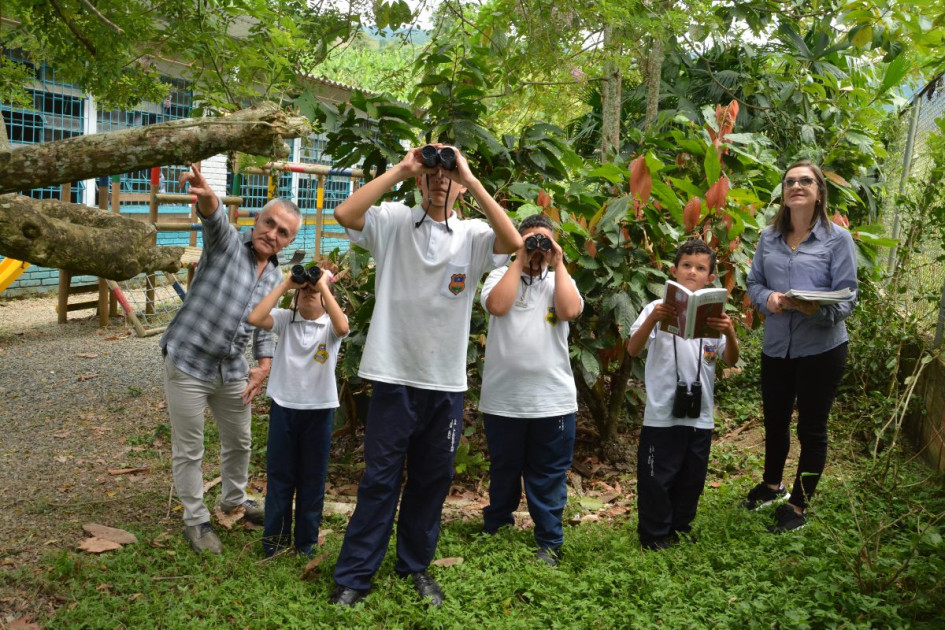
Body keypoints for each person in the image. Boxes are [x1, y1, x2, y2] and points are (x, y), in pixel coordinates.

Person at [329, 144, 522, 607]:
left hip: (445, 382)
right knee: (380, 478)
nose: (441, 180)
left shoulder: (473, 235)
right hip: (393, 374)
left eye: (448, 175)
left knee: (432, 480)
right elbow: (344, 213)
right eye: (432, 173)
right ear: (419, 180)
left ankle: (415, 566)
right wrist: (402, 167)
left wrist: (470, 178)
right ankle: (355, 577)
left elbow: (514, 243)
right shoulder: (395, 221)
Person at [161, 165, 301, 554]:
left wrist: (264, 365)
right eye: (268, 223)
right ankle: (196, 520)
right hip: (188, 361)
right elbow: (214, 216)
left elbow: (263, 328)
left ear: (289, 241)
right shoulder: (226, 243)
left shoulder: (276, 277)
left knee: (239, 441)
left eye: (283, 232)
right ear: (256, 219)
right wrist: (207, 194)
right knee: (189, 449)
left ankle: (234, 501)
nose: (272, 234)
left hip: (231, 370)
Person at [744, 160, 857, 532]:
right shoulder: (768, 237)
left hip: (821, 349)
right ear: (783, 192)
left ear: (819, 192)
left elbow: (847, 300)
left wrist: (813, 310)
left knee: (812, 428)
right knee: (775, 420)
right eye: (790, 181)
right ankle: (772, 485)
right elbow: (754, 284)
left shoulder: (838, 240)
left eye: (805, 180)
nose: (797, 186)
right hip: (777, 346)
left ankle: (798, 505)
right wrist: (769, 300)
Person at [478, 213, 583, 567]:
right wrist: (519, 259)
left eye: (544, 241)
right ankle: (497, 525)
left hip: (552, 400)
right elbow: (498, 305)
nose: (537, 248)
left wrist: (560, 262)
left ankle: (550, 540)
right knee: (503, 468)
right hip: (503, 400)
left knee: (549, 474)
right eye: (529, 240)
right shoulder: (498, 276)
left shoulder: (558, 283)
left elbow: (569, 311)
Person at [626, 239, 739, 550]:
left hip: (700, 414)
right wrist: (654, 319)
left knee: (691, 478)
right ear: (674, 271)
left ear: (711, 278)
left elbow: (731, 360)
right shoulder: (654, 308)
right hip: (662, 413)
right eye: (687, 266)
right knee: (656, 478)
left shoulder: (715, 316)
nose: (692, 272)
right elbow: (633, 349)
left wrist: (728, 331)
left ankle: (679, 530)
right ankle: (653, 536)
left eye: (701, 268)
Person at [247, 264, 349, 557]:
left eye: (313, 293)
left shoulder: (331, 326)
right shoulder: (284, 319)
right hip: (284, 407)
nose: (308, 295)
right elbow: (255, 317)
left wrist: (323, 286)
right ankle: (275, 542)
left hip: (319, 410)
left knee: (312, 479)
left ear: (325, 297)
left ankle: (305, 543)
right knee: (280, 476)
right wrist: (287, 285)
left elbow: (343, 327)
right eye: (303, 292)